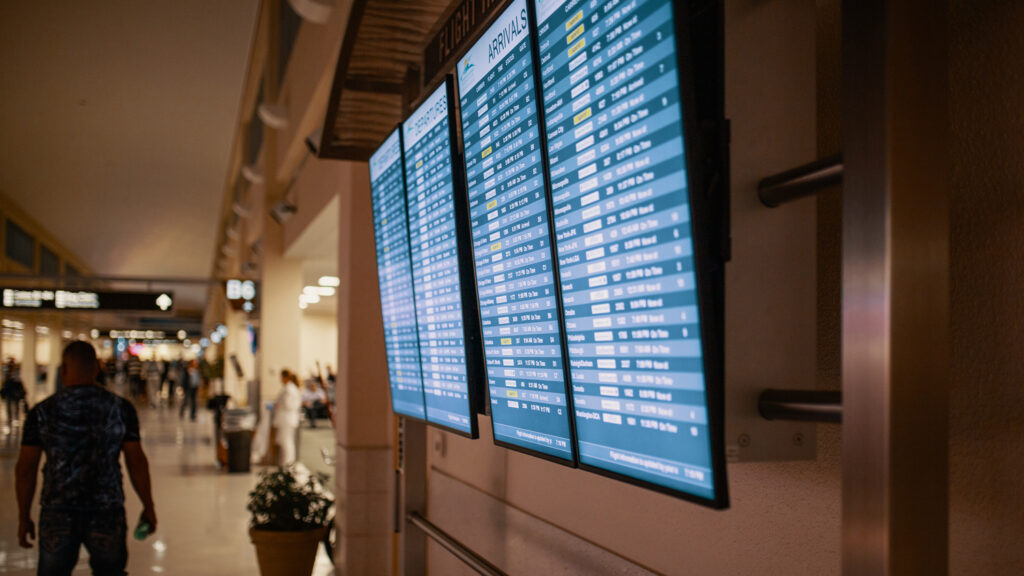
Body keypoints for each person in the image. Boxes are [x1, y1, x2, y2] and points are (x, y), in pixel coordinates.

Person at [15, 341, 156, 576]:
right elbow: (136, 462)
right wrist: (148, 506)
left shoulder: (42, 412)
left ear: (63, 370)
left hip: (57, 510)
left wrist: (23, 516)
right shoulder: (120, 409)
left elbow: (25, 469)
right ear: (97, 368)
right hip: (107, 510)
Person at [272, 369, 302, 466]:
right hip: (287, 418)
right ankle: (286, 462)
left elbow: (288, 404)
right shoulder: (290, 388)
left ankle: (288, 463)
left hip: (287, 418)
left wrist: (278, 405)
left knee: (286, 441)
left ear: (285, 377)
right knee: (285, 440)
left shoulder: (289, 389)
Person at [2, 359, 27, 425]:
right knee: (10, 407)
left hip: (13, 392)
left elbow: (17, 380)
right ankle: (11, 420)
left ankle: (14, 420)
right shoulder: (7, 372)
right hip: (10, 392)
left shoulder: (13, 371)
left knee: (14, 407)